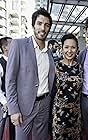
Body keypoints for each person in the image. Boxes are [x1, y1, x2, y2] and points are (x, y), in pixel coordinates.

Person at [6, 8, 55, 140]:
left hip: (44, 105)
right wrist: (14, 110)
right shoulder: (18, 45)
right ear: (33, 25)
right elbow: (10, 80)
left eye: (46, 25)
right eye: (39, 23)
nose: (43, 28)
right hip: (23, 107)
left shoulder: (49, 52)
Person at [52, 33, 83, 140]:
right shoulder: (55, 67)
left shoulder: (80, 67)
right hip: (60, 114)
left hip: (76, 114)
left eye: (73, 47)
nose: (69, 50)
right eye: (66, 47)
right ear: (62, 48)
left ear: (77, 49)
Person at [0, 37, 14, 140]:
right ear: (5, 47)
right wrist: (5, 102)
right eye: (12, 44)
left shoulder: (16, 60)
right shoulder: (0, 64)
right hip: (6, 102)